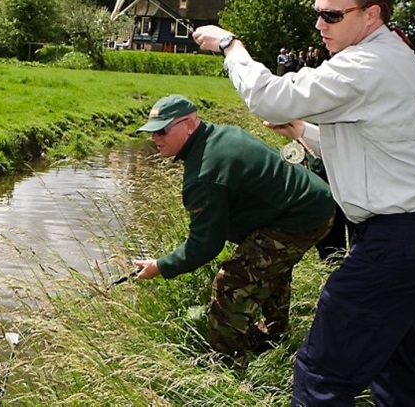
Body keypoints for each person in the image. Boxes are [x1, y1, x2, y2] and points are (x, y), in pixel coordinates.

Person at [192, 0, 415, 406]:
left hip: (393, 245)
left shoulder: (362, 65)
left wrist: (229, 45)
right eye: (318, 13)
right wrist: (302, 132)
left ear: (372, 13)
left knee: (322, 374)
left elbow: (269, 97)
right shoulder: (396, 57)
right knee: (399, 374)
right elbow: (379, 147)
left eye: (332, 15)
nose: (319, 24)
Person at [132, 94, 335, 362]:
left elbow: (205, 245)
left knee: (231, 282)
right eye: (152, 133)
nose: (156, 138)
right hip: (311, 202)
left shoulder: (204, 174)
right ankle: (275, 336)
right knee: (269, 266)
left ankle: (228, 363)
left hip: (301, 217)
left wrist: (161, 266)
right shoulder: (217, 134)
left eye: (163, 130)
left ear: (190, 124)